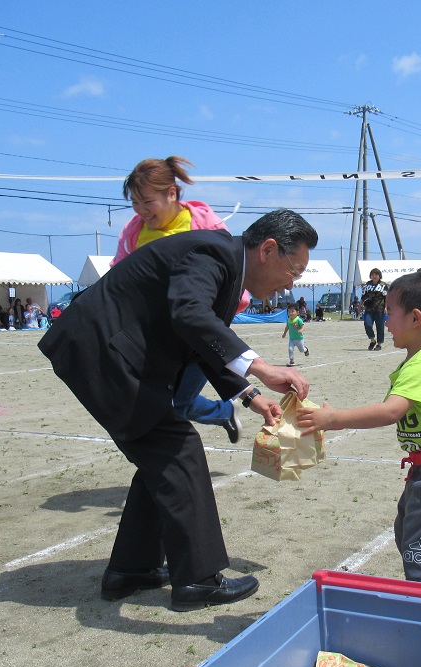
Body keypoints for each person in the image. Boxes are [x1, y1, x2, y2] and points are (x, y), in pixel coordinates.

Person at [38, 209, 317, 610]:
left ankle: (131, 570)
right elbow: (189, 314)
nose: (292, 284)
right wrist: (258, 365)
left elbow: (201, 340)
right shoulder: (212, 253)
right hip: (103, 352)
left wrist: (251, 396)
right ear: (268, 250)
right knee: (177, 448)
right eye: (295, 270)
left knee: (162, 456)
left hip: (113, 355)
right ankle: (198, 580)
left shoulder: (224, 265)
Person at [296, 270, 421, 585]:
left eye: (391, 313)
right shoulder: (420, 360)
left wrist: (333, 420)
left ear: (415, 318)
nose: (386, 320)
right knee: (408, 532)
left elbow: (391, 411)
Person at [112, 156, 242, 443]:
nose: (142, 210)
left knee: (178, 403)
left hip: (197, 334)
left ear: (171, 193)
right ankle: (222, 413)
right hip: (157, 336)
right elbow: (118, 277)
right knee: (162, 403)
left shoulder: (202, 224)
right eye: (135, 203)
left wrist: (231, 306)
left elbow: (231, 272)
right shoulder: (134, 232)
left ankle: (218, 417)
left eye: (147, 202)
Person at [361, 268, 388, 351]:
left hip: (380, 309)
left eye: (376, 274)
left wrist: (386, 307)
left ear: (379, 276)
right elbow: (363, 296)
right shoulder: (367, 285)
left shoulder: (383, 285)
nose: (374, 276)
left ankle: (379, 344)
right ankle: (372, 340)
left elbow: (386, 297)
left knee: (380, 327)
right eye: (372, 274)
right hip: (369, 309)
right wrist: (360, 306)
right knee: (367, 324)